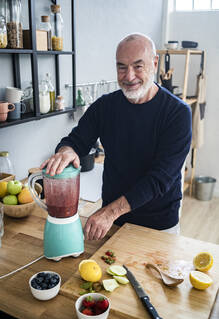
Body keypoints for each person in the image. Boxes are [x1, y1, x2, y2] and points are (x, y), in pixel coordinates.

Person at [41, 33, 192, 241]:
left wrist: (110, 212)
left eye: (138, 66)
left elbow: (160, 179)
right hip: (113, 224)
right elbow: (76, 141)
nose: (129, 76)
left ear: (154, 63)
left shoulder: (177, 113)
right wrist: (67, 151)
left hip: (158, 226)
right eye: (122, 67)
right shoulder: (104, 106)